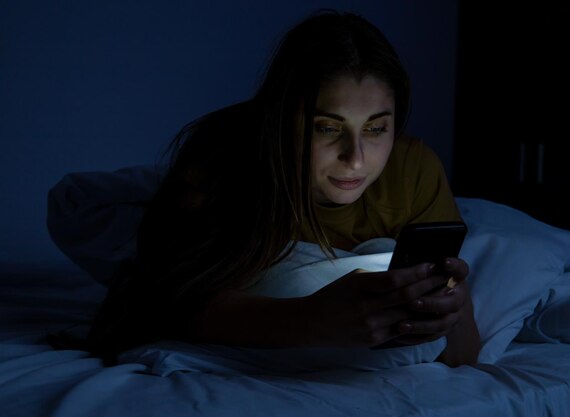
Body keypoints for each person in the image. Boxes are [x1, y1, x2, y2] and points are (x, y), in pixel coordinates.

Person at [87, 10, 481, 367]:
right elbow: (158, 303)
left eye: (376, 129)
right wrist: (309, 321)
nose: (356, 159)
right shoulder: (222, 157)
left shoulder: (413, 169)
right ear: (282, 121)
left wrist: (453, 311)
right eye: (327, 128)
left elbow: (465, 356)